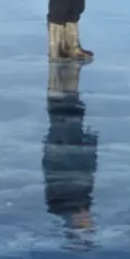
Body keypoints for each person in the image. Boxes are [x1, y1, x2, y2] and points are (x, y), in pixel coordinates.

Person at [42, 61, 98, 247]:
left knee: (64, 109)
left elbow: (56, 169)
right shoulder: (80, 201)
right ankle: (66, 67)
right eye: (90, 224)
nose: (90, 220)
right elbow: (86, 174)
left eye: (86, 224)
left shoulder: (64, 202)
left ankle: (62, 66)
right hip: (71, 145)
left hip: (63, 145)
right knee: (70, 108)